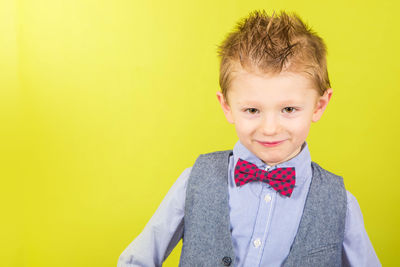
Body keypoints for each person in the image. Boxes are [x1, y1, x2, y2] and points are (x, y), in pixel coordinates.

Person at [118, 10, 381, 267]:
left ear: (319, 106)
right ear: (227, 107)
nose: (269, 128)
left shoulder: (340, 204)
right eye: (252, 110)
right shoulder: (195, 181)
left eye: (289, 109)